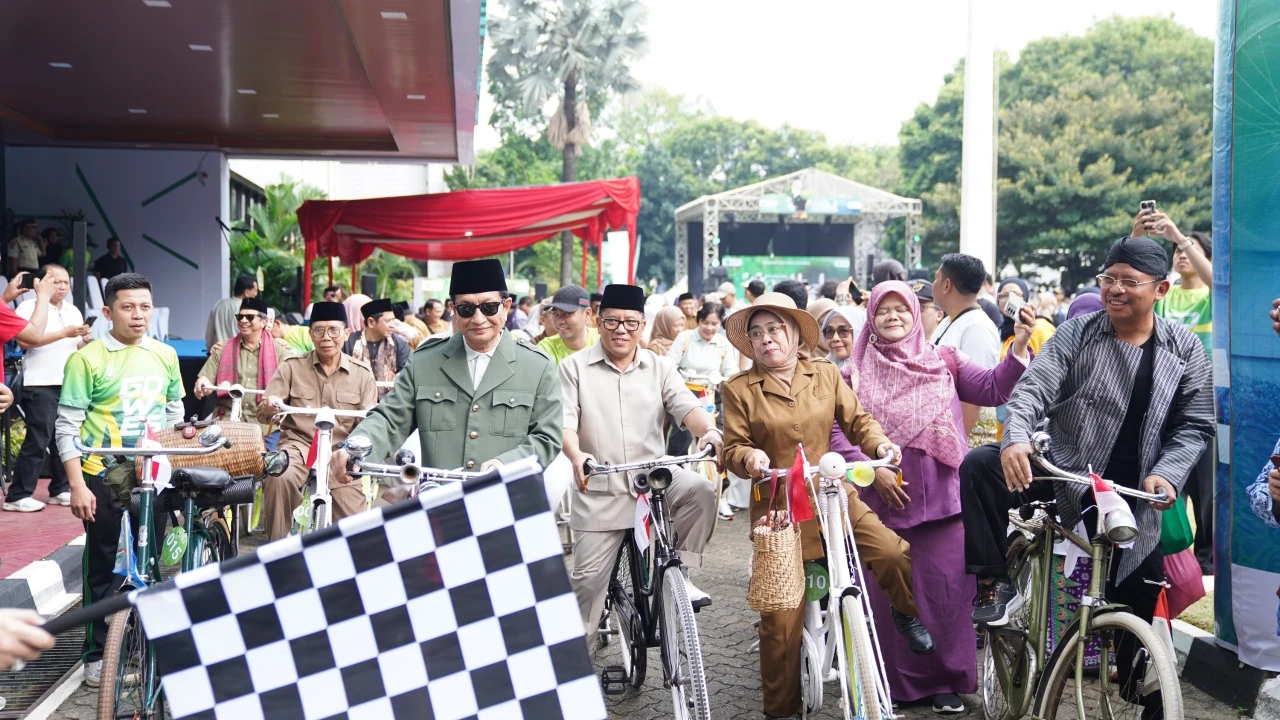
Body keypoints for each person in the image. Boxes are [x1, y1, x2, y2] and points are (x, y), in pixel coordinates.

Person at [960, 237, 1213, 717]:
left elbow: (1195, 425)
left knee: (1143, 619)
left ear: (1160, 289)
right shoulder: (1077, 333)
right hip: (1064, 470)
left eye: (1129, 282)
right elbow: (1033, 388)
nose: (1116, 290)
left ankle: (1149, 693)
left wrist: (1167, 472)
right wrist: (1016, 436)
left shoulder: (1185, 349)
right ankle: (995, 583)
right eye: (1108, 279)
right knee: (980, 467)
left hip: (1137, 490)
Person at [720, 292, 933, 720]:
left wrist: (880, 444)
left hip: (832, 493)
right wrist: (749, 458)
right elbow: (732, 449)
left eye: (775, 329)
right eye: (757, 334)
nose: (766, 340)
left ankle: (906, 611)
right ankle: (781, 711)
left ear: (796, 333)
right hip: (780, 507)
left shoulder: (825, 374)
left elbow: (858, 422)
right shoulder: (739, 389)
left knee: (892, 552)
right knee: (780, 622)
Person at [835, 281, 1032, 713]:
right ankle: (889, 683)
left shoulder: (943, 360)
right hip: (880, 500)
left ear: (915, 314)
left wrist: (1017, 348)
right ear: (870, 317)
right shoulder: (853, 373)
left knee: (946, 595)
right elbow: (838, 431)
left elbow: (995, 388)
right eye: (882, 310)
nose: (892, 317)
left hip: (946, 501)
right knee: (889, 599)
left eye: (900, 309)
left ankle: (945, 681)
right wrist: (872, 468)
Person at [560, 283, 720, 649]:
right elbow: (565, 424)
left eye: (630, 323)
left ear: (643, 325)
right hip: (600, 489)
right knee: (587, 591)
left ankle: (680, 573)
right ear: (598, 323)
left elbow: (686, 407)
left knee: (700, 489)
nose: (621, 330)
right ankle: (574, 679)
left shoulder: (659, 367)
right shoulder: (573, 368)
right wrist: (577, 455)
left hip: (654, 482)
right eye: (612, 321)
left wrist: (710, 432)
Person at [55, 273, 186, 687]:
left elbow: (173, 411)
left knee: (149, 565)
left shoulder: (165, 355)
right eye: (128, 307)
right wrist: (76, 484)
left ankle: (139, 647)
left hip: (152, 473)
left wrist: (167, 455)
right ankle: (96, 658)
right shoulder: (86, 359)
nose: (138, 315)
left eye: (145, 306)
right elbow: (67, 426)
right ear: (108, 312)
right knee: (102, 566)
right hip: (101, 474)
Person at [334, 258, 562, 476]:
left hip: (508, 497)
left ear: (507, 306)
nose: (479, 318)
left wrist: (507, 464)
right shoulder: (425, 362)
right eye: (466, 309)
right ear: (453, 309)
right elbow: (391, 418)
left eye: (490, 307)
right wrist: (356, 448)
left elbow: (547, 437)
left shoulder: (537, 367)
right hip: (441, 499)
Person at [256, 302, 377, 540]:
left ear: (346, 332)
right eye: (318, 330)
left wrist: (354, 452)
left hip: (340, 452)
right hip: (297, 446)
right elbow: (264, 412)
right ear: (310, 334)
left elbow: (369, 424)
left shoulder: (362, 374)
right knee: (277, 478)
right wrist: (269, 406)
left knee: (355, 524)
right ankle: (275, 556)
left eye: (333, 330)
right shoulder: (292, 367)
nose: (326, 337)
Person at [1139, 212, 1216, 574]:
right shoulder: (1166, 295)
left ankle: (1206, 558)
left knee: (1206, 490)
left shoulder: (1210, 294)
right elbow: (1136, 284)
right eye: (1178, 250)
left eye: (1192, 250)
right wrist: (1139, 235)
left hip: (1204, 402)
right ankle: (1172, 559)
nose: (1182, 254)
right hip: (1164, 401)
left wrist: (1180, 236)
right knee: (1169, 483)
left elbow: (1223, 285)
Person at [7, 265, 92, 512]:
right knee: (38, 439)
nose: (63, 287)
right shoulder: (27, 306)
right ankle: (17, 495)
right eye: (56, 282)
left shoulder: (73, 310)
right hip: (40, 381)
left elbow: (74, 346)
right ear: (42, 282)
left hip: (68, 381)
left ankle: (60, 489)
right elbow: (24, 341)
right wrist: (65, 333)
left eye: (66, 282)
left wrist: (83, 340)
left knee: (64, 438)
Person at [194, 296, 290, 445]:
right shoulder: (223, 348)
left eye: (250, 317)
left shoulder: (281, 351)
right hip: (226, 424)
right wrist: (202, 383)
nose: (243, 320)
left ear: (264, 322)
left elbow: (293, 387)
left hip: (266, 427)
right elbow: (206, 381)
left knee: (270, 464)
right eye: (240, 317)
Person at [932, 254, 1001, 447]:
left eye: (936, 278)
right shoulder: (949, 320)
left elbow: (974, 397)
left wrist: (955, 445)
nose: (933, 284)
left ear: (946, 285)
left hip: (965, 441)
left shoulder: (977, 327)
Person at [993, 278, 1056, 441]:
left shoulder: (1040, 328)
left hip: (1028, 419)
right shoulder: (999, 331)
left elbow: (1053, 371)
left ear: (1025, 298)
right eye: (1003, 295)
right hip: (1002, 418)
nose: (1008, 300)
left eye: (1015, 295)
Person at [342, 298, 410, 398]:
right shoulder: (348, 343)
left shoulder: (399, 344)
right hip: (353, 402)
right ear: (371, 322)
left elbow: (406, 372)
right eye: (388, 321)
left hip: (390, 405)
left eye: (393, 320)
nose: (392, 325)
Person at [538, 285, 598, 364]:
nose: (559, 321)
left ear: (587, 314)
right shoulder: (546, 348)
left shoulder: (602, 341)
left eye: (567, 313)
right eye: (555, 314)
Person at [204, 275, 258, 348]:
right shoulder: (247, 310)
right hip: (236, 353)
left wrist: (210, 350)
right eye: (255, 290)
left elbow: (209, 333)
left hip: (217, 351)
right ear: (246, 292)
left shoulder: (218, 304)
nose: (256, 294)